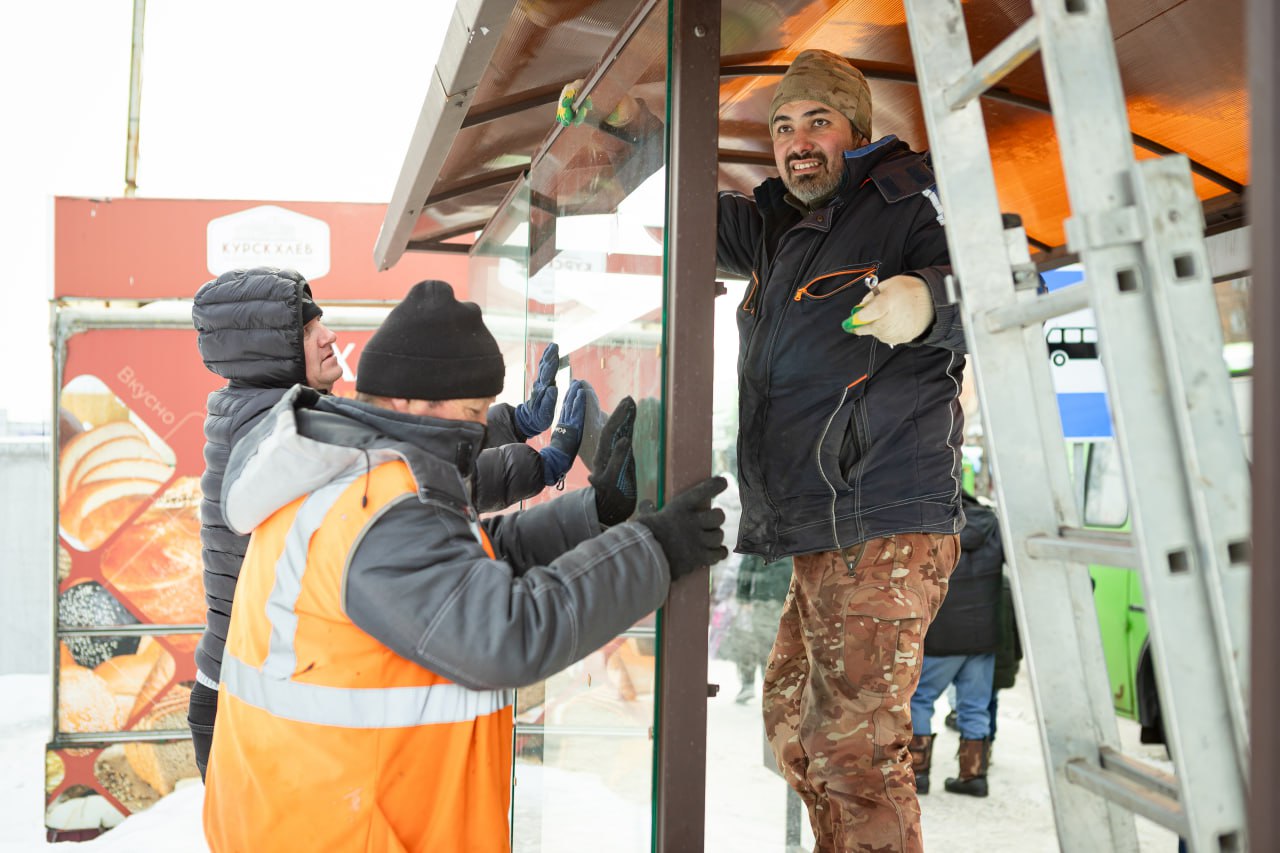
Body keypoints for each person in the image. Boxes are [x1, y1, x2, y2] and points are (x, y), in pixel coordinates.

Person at [560, 47, 967, 851]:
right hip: (822, 528)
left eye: (818, 121)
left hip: (885, 518)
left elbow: (1006, 282)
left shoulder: (909, 203)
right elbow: (687, 208)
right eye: (783, 127)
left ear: (857, 129)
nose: (797, 142)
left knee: (855, 752)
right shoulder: (780, 225)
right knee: (793, 723)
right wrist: (626, 127)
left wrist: (928, 298)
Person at [201, 280, 728, 852]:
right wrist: (655, 548)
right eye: (474, 411)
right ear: (410, 403)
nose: (481, 429)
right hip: (351, 833)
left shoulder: (347, 474)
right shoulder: (373, 504)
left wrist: (593, 515)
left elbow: (461, 562)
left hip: (324, 818)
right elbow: (506, 635)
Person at [187, 267, 582, 779]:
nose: (329, 336)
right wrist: (537, 466)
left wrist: (511, 423)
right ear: (269, 351)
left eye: (319, 322)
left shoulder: (278, 417)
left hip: (247, 696)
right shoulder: (280, 433)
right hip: (246, 710)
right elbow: (409, 479)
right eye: (307, 331)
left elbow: (403, 438)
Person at [908, 491, 1004, 797]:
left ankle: (917, 773)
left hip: (942, 634)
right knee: (975, 705)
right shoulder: (993, 524)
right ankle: (973, 776)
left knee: (919, 700)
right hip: (983, 636)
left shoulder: (932, 525)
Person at [720, 554, 793, 704]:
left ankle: (757, 686)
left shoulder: (760, 540)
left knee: (763, 645)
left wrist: (743, 595)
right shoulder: (799, 540)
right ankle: (773, 689)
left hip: (766, 597)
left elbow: (747, 566)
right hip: (786, 598)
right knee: (780, 646)